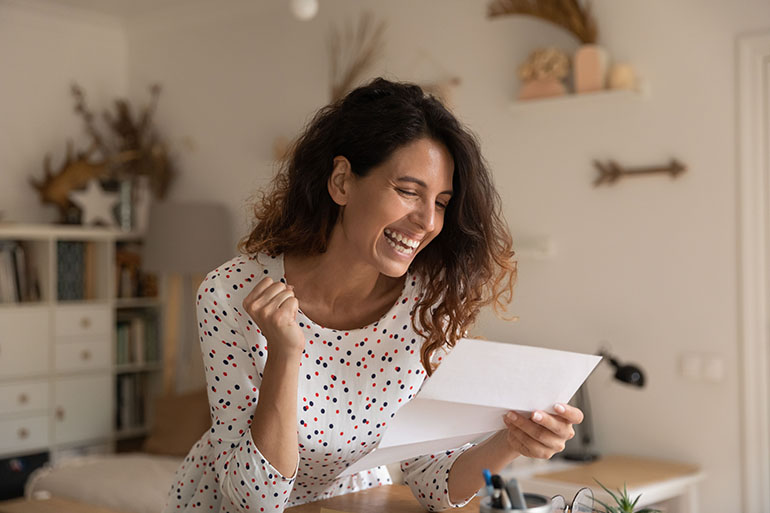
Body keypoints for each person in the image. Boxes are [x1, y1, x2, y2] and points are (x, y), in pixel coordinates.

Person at [163, 78, 582, 513]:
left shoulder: (430, 306)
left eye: (440, 202)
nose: (426, 221)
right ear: (342, 181)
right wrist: (286, 354)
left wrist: (512, 440)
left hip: (358, 501)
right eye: (407, 191)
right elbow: (256, 500)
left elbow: (433, 483)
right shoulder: (231, 294)